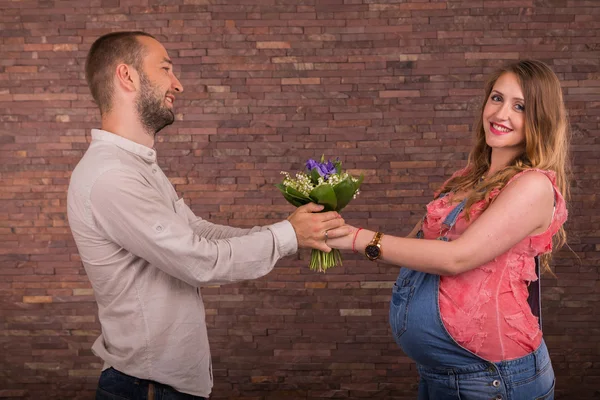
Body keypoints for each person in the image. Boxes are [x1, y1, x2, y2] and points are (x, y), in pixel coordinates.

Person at [67, 31, 348, 400]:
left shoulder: (134, 165)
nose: (177, 84)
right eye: (166, 68)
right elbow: (196, 259)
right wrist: (287, 236)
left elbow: (195, 232)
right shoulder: (113, 176)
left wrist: (292, 232)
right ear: (127, 76)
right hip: (147, 391)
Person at [326, 60, 569, 400]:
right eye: (497, 98)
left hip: (493, 380)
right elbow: (415, 247)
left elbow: (457, 257)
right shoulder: (467, 178)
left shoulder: (532, 186)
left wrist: (358, 238)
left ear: (541, 119)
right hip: (443, 375)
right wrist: (332, 224)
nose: (501, 114)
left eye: (520, 106)